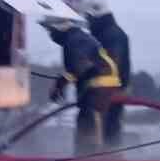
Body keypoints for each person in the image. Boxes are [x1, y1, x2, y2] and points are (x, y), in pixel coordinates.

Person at [41, 14, 122, 152]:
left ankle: (89, 159)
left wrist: (60, 84)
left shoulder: (75, 40)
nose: (50, 34)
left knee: (89, 124)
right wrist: (62, 82)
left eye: (50, 30)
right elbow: (77, 68)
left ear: (59, 27)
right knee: (86, 121)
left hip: (99, 87)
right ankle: (85, 157)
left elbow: (81, 67)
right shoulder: (74, 38)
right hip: (96, 86)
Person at [61, 0, 131, 144]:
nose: (87, 22)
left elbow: (108, 71)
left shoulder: (111, 36)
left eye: (88, 18)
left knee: (95, 150)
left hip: (101, 103)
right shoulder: (106, 34)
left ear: (95, 15)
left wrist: (97, 98)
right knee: (96, 146)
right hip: (96, 101)